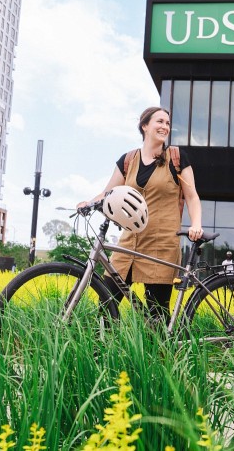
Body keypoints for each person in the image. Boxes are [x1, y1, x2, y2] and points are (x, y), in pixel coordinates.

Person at [79, 106, 204, 323]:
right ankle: (103, 344)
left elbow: (192, 196)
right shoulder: (128, 160)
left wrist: (196, 224)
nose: (165, 126)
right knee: (107, 303)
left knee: (157, 312)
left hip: (161, 244)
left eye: (167, 123)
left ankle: (162, 345)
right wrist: (88, 203)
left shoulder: (176, 158)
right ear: (145, 126)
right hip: (128, 243)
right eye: (160, 122)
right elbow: (108, 192)